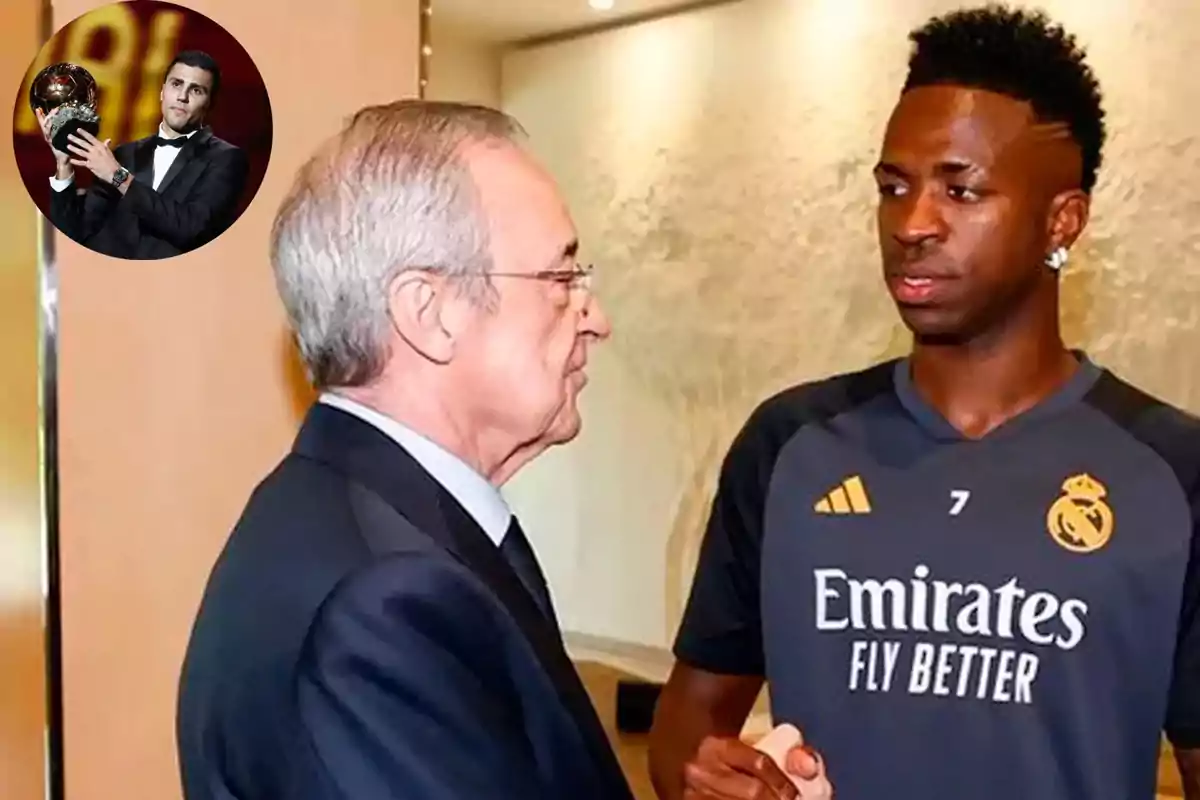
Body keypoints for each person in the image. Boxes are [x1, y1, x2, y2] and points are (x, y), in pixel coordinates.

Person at [649, 5, 1200, 800]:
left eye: (961, 190)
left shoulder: (1171, 475)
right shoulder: (790, 445)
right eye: (893, 187)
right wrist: (706, 777)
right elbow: (685, 736)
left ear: (1063, 221)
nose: (912, 224)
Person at [175, 100, 632, 799]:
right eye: (561, 280)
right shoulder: (379, 604)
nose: (595, 318)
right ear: (429, 313)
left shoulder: (356, 522)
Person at [38, 50, 248, 260]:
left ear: (209, 103)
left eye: (196, 90)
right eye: (176, 84)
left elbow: (191, 227)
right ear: (162, 91)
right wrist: (63, 163)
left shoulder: (226, 159)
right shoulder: (124, 154)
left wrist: (119, 177)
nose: (182, 97)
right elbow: (77, 231)